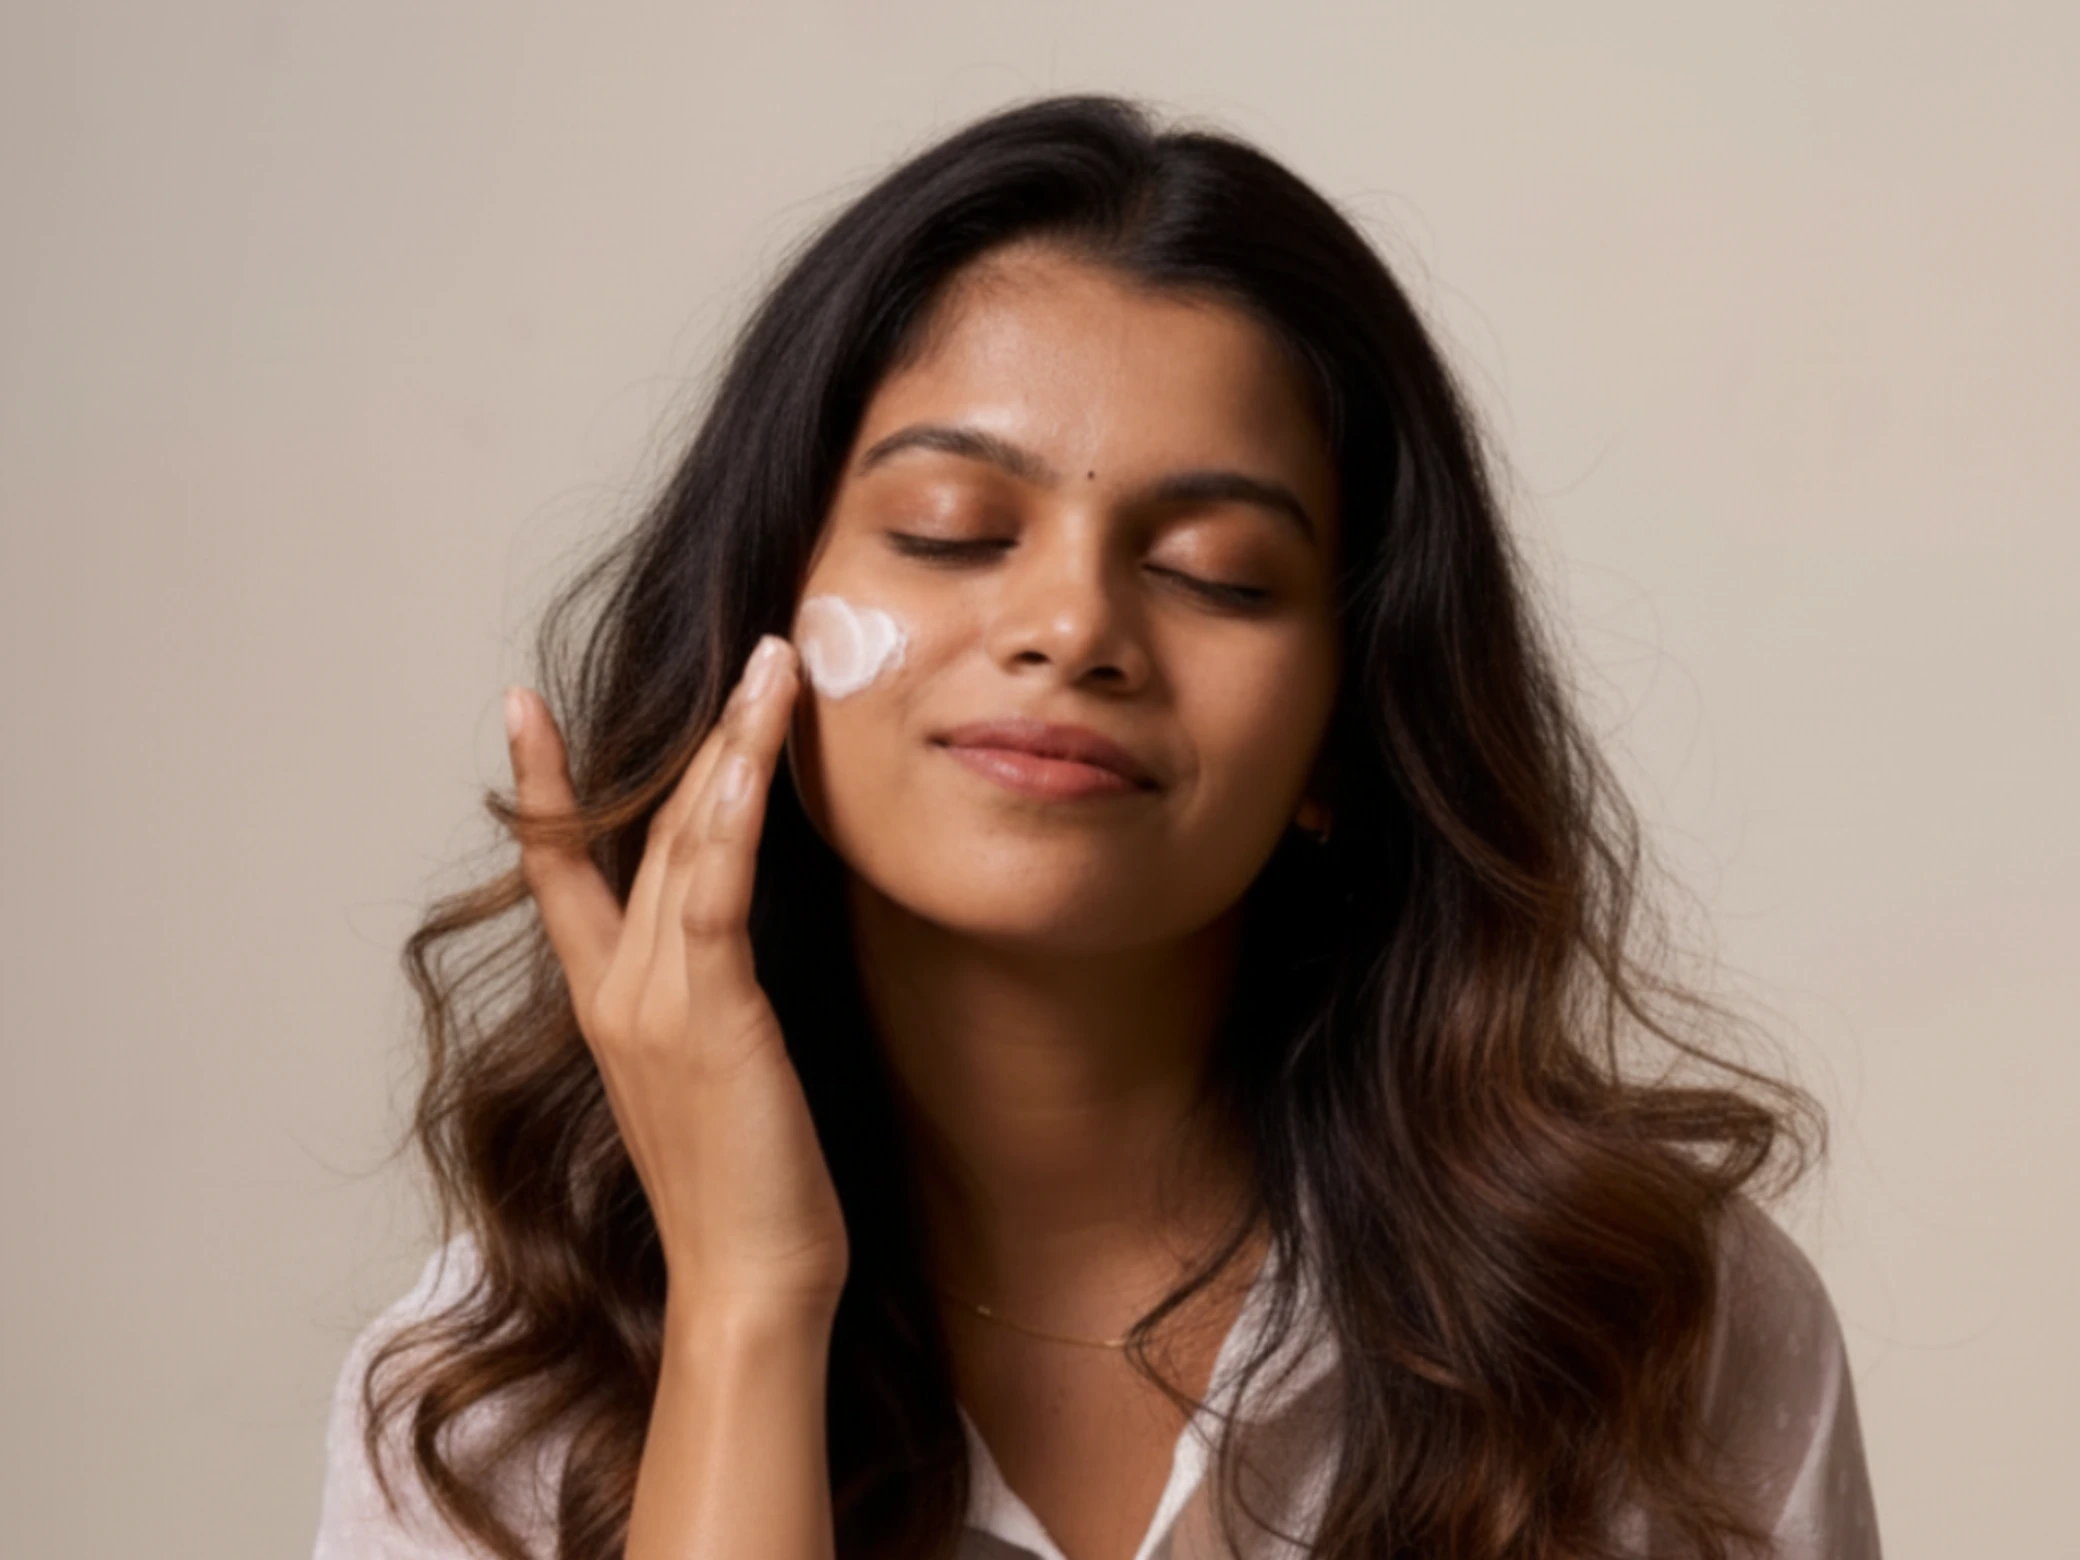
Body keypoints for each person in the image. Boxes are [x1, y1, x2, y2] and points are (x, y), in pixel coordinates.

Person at [310, 93, 1881, 1560]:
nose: (1071, 625)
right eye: (952, 532)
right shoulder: (478, 1403)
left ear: (1347, 725)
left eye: (1217, 571)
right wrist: (746, 1303)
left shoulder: (1664, 1325)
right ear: (754, 634)